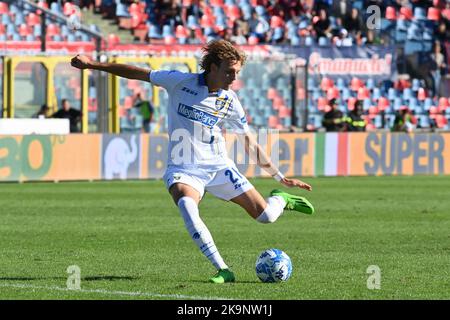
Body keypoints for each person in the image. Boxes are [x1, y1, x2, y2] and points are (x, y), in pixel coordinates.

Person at [70, 40, 314, 284]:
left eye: (237, 72)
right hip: (183, 169)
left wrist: (280, 177)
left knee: (266, 216)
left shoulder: (230, 101)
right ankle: (223, 270)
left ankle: (280, 199)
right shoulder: (179, 82)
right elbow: (136, 73)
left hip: (219, 167)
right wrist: (93, 64)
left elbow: (249, 142)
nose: (234, 77)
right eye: (229, 71)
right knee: (187, 205)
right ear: (213, 68)